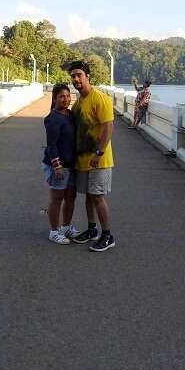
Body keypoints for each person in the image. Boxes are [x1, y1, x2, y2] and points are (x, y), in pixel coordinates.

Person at [68, 60, 116, 252]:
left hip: (99, 159)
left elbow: (108, 127)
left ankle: (107, 235)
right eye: (73, 76)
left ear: (88, 76)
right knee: (88, 197)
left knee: (97, 197)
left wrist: (99, 152)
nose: (76, 79)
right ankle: (91, 229)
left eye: (79, 75)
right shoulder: (78, 103)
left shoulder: (100, 98)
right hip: (83, 160)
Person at [42, 83, 78, 244]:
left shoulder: (70, 115)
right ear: (55, 98)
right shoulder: (53, 119)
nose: (66, 99)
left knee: (71, 197)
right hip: (58, 166)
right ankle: (54, 231)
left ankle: (66, 227)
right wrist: (57, 166)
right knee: (57, 199)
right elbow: (51, 145)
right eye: (62, 96)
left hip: (71, 164)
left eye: (68, 95)